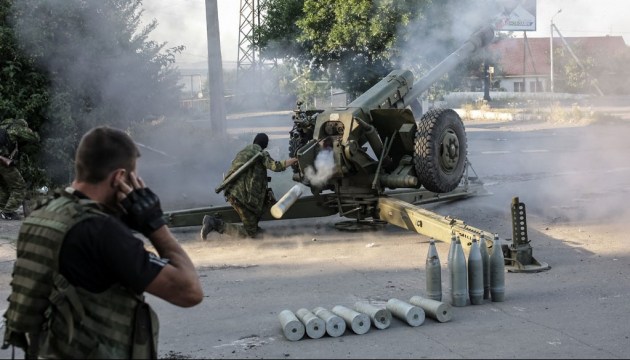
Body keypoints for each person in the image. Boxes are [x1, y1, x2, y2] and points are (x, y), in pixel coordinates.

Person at [2, 126, 203, 359]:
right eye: (132, 178)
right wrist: (154, 224)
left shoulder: (41, 215)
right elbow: (189, 291)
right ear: (119, 178)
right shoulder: (101, 232)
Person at [202, 133, 297, 239]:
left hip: (232, 192)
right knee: (250, 232)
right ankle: (214, 224)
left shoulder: (243, 152)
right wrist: (295, 159)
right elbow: (276, 166)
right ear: (265, 145)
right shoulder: (260, 154)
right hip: (243, 197)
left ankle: (258, 231)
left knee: (254, 225)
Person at [0, 118, 40, 220]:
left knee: (4, 187)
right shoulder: (16, 128)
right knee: (19, 187)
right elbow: (34, 138)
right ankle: (8, 212)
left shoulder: (2, 127)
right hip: (3, 162)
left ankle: (2, 209)